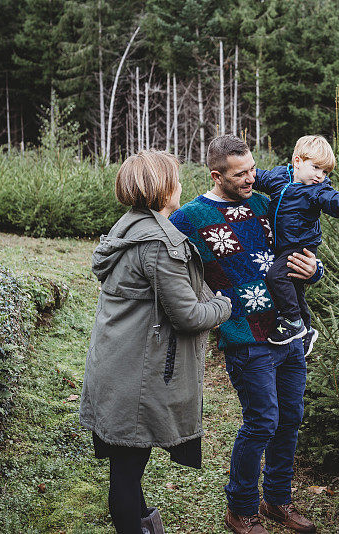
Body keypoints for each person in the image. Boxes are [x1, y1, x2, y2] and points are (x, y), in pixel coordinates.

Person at [169, 135, 321, 534]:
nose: (251, 178)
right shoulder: (190, 218)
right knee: (262, 422)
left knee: (290, 418)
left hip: (288, 332)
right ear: (217, 175)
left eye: (253, 169)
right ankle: (241, 508)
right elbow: (162, 264)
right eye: (240, 174)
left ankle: (277, 501)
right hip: (245, 336)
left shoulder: (266, 203)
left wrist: (314, 270)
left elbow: (299, 247)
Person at [79, 150, 232, 534]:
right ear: (164, 190)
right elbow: (190, 316)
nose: (181, 185)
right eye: (176, 179)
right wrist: (224, 304)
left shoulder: (127, 227)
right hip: (137, 377)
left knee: (126, 469)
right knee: (128, 473)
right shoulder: (160, 245)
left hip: (117, 364)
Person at [253, 135, 339, 349]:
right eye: (316, 168)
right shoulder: (279, 177)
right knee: (295, 287)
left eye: (325, 172)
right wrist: (246, 174)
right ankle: (307, 329)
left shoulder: (317, 190)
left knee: (276, 276)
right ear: (297, 162)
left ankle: (292, 321)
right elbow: (261, 178)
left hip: (301, 247)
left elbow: (332, 201)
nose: (320, 176)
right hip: (284, 244)